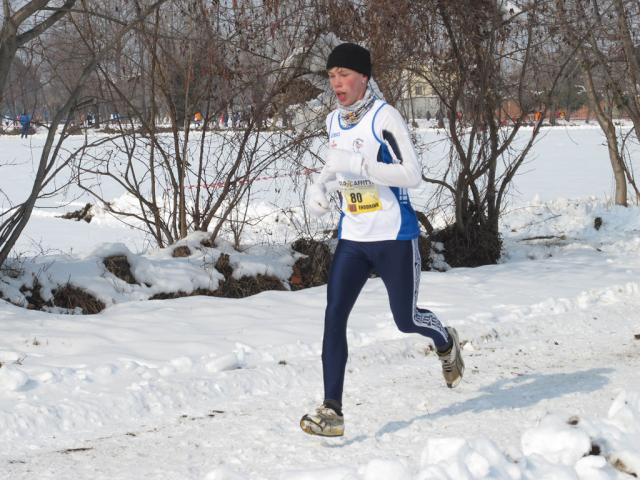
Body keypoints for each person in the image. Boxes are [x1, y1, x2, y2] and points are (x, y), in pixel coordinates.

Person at [300, 43, 465, 437]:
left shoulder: (384, 117)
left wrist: (361, 165)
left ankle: (444, 339)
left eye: (344, 74)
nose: (337, 83)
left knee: (406, 319)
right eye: (332, 76)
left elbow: (412, 174)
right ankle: (332, 409)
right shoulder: (333, 121)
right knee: (334, 315)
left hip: (393, 236)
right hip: (353, 237)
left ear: (364, 78)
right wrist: (317, 185)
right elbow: (332, 163)